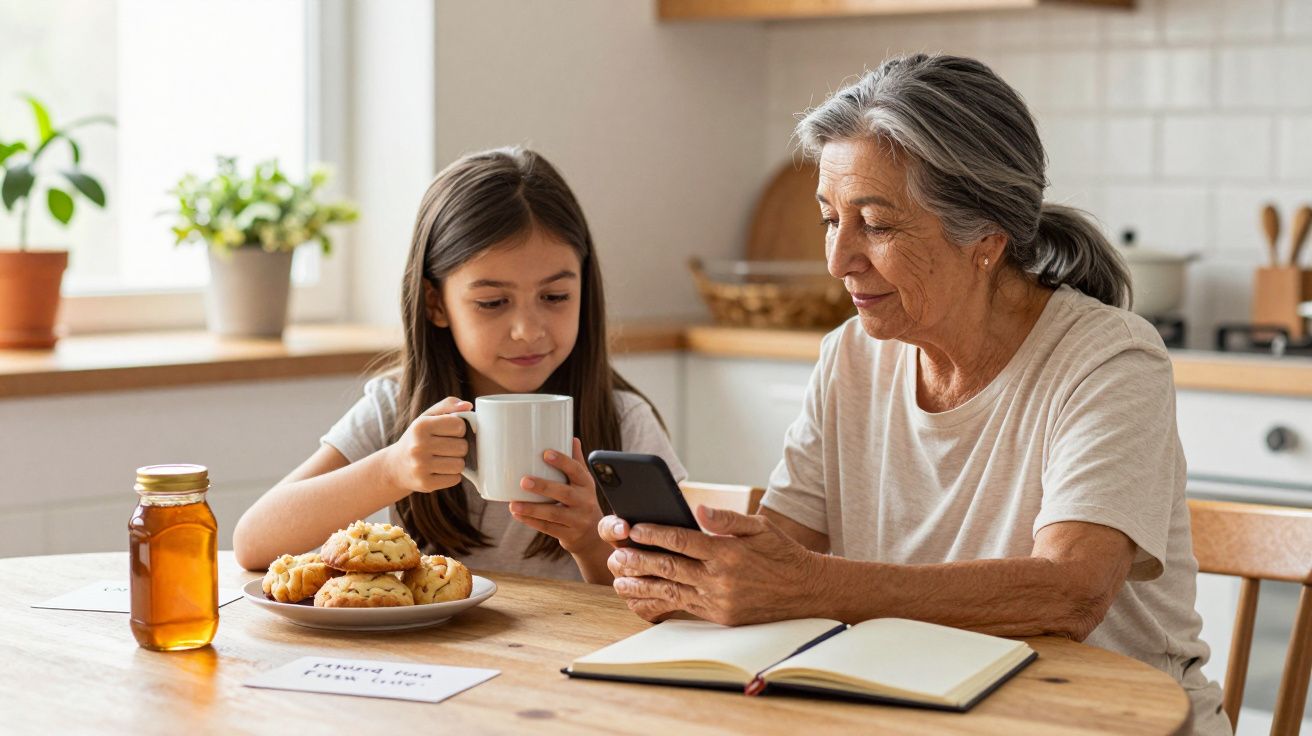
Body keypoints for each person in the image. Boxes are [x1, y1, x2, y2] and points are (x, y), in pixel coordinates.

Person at [598, 54, 1228, 735]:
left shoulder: (1109, 358)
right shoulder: (850, 356)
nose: (838, 260)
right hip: (923, 716)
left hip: (1107, 721)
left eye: (875, 223)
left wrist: (805, 584)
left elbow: (1071, 592)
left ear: (985, 240)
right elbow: (778, 554)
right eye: (830, 220)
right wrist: (699, 573)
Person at [234, 147, 685, 584]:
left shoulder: (624, 422)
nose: (527, 329)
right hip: (435, 660)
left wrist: (589, 538)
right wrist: (390, 470)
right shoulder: (396, 410)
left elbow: (676, 597)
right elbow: (253, 542)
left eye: (555, 297)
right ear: (436, 303)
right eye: (492, 302)